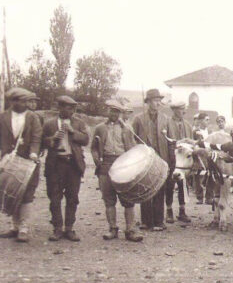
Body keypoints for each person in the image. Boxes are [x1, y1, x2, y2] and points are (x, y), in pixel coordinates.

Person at [91, 100, 143, 242]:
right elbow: (94, 147)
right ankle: (112, 228)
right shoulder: (100, 128)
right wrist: (97, 160)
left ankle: (130, 230)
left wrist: (132, 165)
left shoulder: (127, 128)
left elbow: (132, 149)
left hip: (123, 164)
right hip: (106, 164)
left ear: (121, 113)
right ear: (108, 111)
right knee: (109, 199)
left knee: (128, 198)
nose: (114, 114)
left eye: (117, 111)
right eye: (112, 111)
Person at [42, 95, 89, 241]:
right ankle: (57, 228)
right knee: (54, 197)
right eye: (68, 108)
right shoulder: (49, 124)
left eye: (73, 108)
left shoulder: (79, 123)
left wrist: (73, 132)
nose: (71, 111)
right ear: (60, 108)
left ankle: (69, 228)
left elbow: (86, 140)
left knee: (73, 197)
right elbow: (42, 142)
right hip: (56, 164)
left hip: (73, 164)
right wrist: (53, 138)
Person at [0, 88, 42, 242]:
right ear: (13, 101)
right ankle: (15, 226)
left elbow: (37, 138)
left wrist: (33, 153)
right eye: (23, 101)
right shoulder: (3, 117)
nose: (26, 104)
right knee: (11, 192)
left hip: (28, 161)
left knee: (26, 194)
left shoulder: (33, 117)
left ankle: (24, 228)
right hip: (8, 161)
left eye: (27, 101)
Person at [132, 89, 175, 231]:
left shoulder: (166, 119)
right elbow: (133, 140)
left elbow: (171, 141)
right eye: (155, 100)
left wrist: (171, 160)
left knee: (160, 189)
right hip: (145, 160)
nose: (158, 103)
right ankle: (146, 221)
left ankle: (159, 221)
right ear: (148, 102)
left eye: (159, 100)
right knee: (145, 188)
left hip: (161, 159)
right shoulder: (139, 119)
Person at [165, 101, 192, 223]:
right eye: (181, 109)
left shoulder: (187, 125)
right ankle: (169, 211)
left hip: (183, 161)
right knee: (169, 185)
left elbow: (191, 143)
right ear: (174, 110)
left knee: (183, 185)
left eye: (184, 109)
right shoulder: (167, 124)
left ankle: (182, 211)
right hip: (171, 159)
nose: (183, 112)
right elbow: (165, 141)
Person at [193, 112, 214, 203]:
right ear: (201, 121)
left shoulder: (210, 132)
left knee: (211, 175)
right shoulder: (195, 131)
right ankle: (199, 197)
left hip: (209, 156)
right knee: (198, 176)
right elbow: (194, 143)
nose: (208, 122)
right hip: (199, 156)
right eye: (206, 120)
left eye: (208, 120)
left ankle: (209, 197)